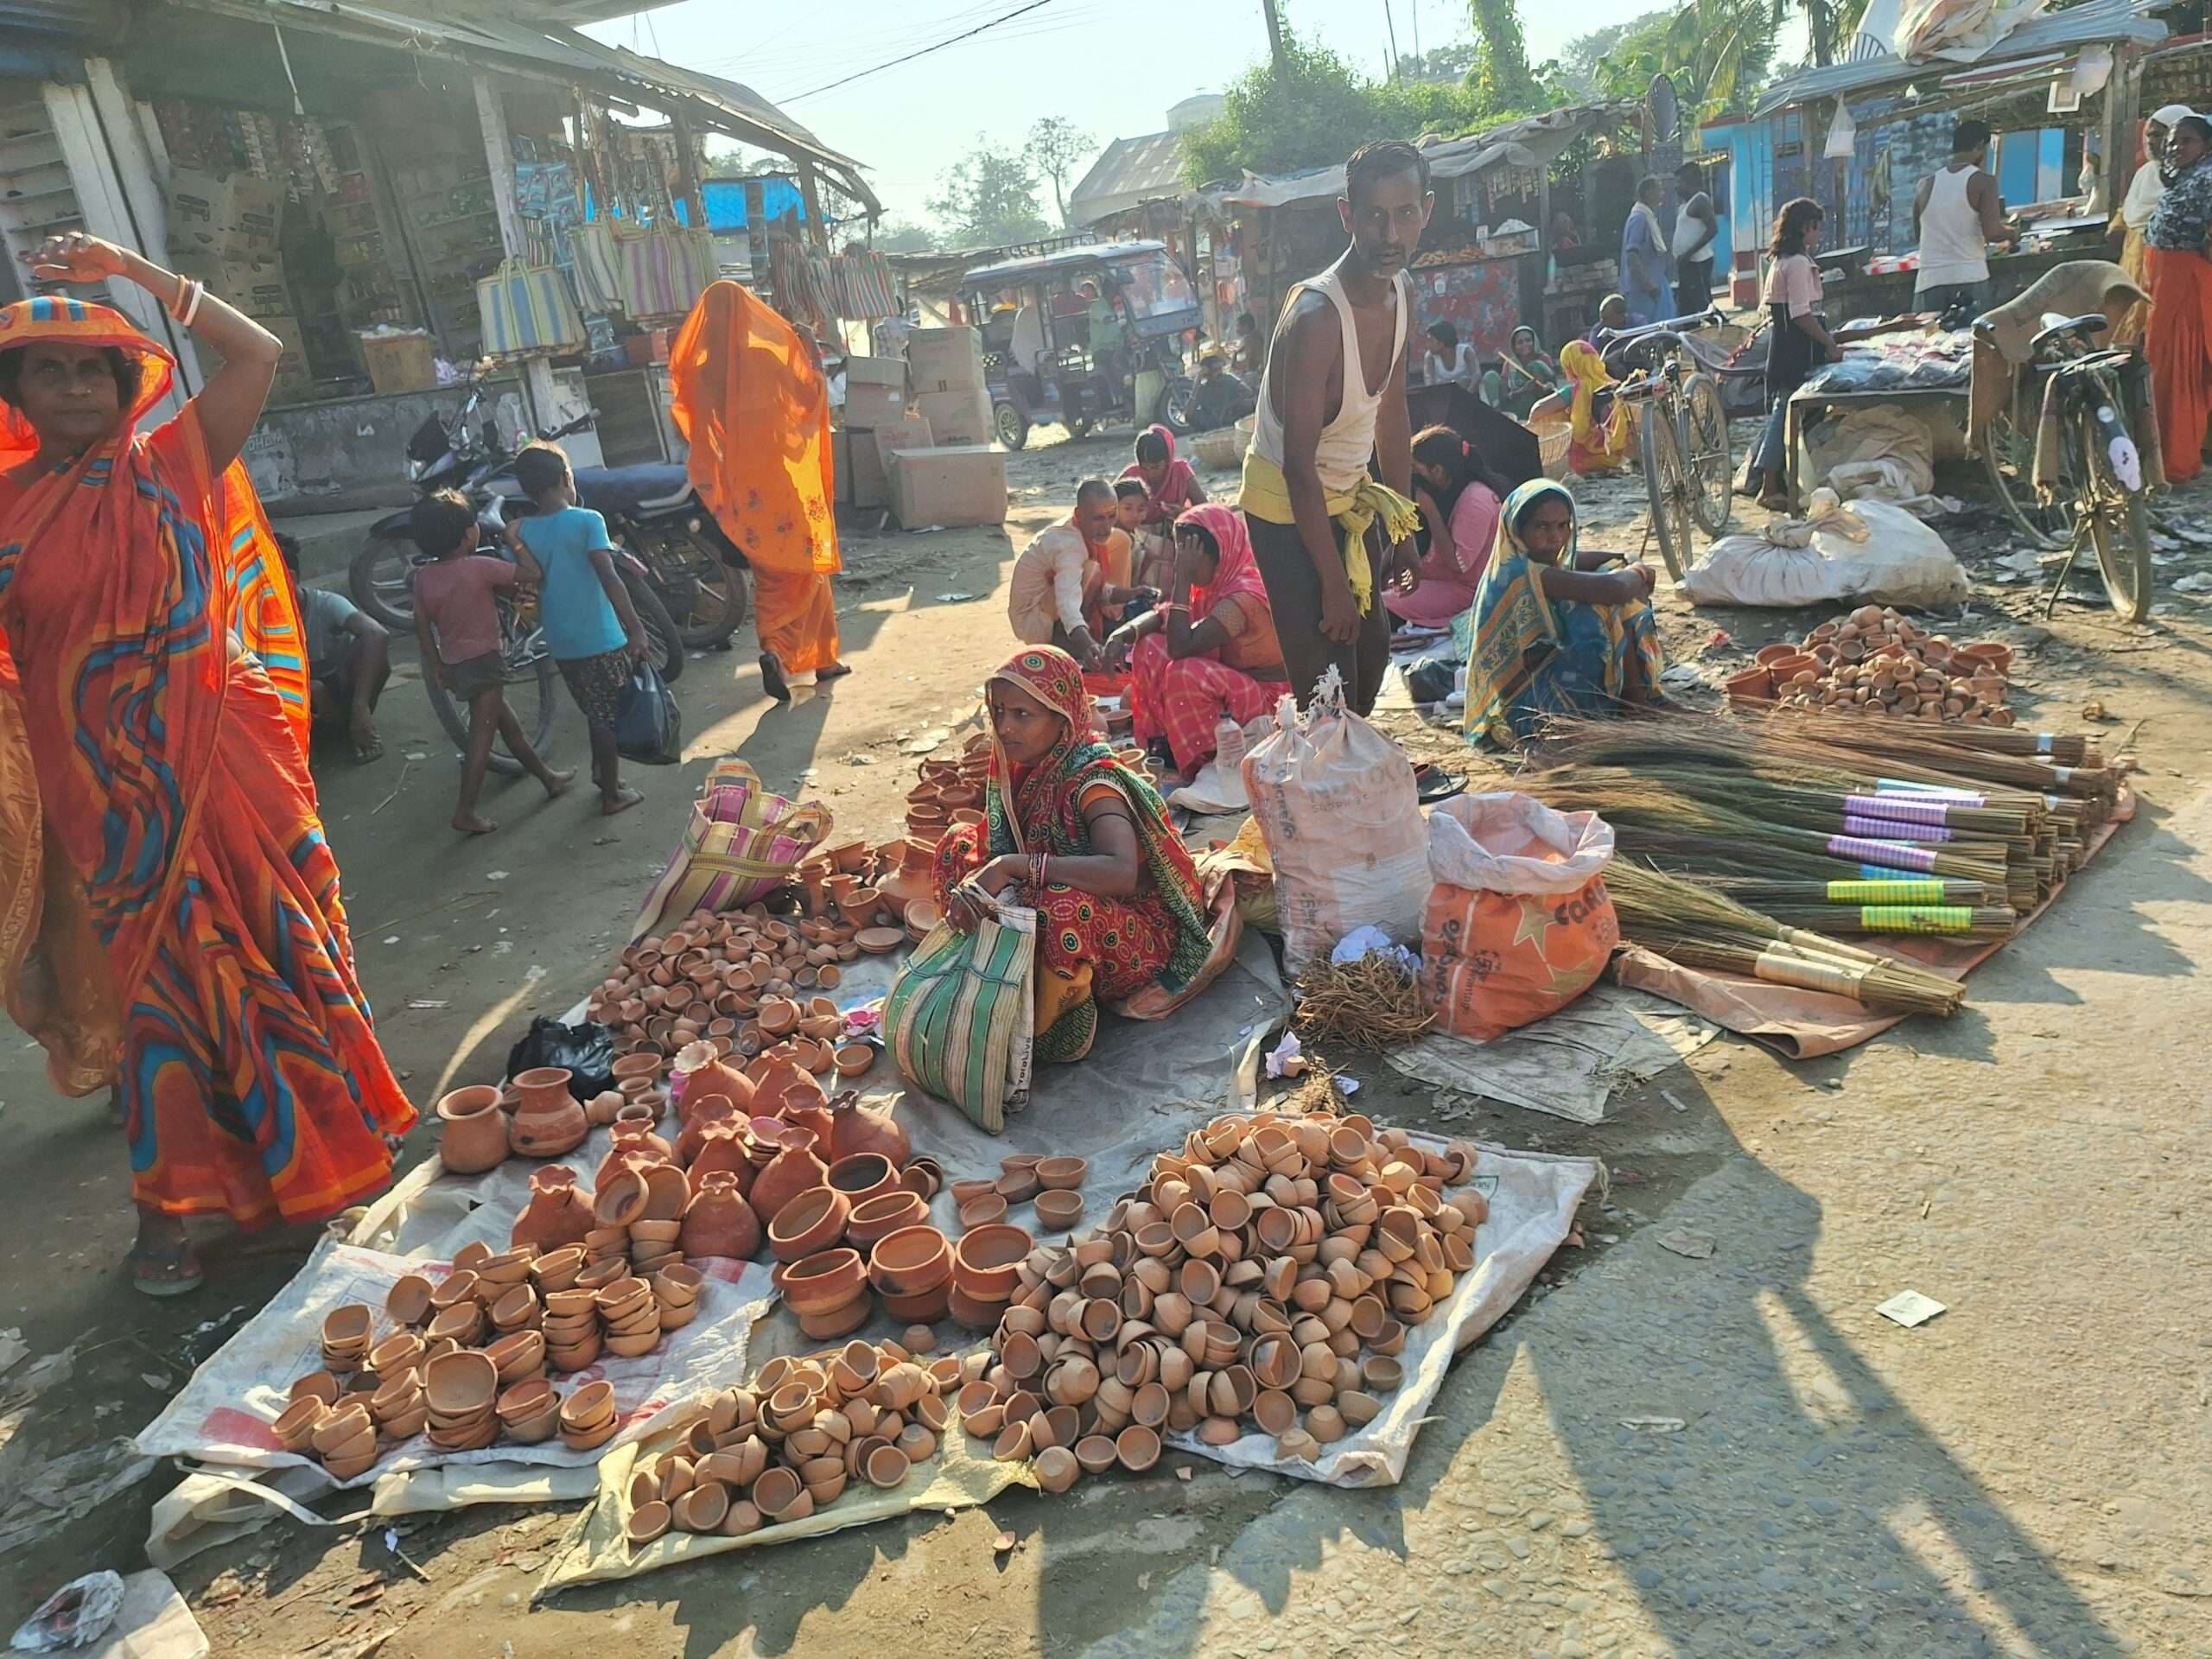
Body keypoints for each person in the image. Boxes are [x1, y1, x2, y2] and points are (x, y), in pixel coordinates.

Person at [0, 232, 413, 1294]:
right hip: (101, 795)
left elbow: (260, 352)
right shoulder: (5, 513)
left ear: (125, 381)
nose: (79, 384)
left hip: (227, 763)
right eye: (52, 369)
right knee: (155, 999)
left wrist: (132, 274)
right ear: (18, 395)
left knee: (278, 952)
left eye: (97, 365)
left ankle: (331, 1153)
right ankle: (173, 1207)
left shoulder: (175, 461)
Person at [936, 645, 1219, 1062]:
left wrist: (1014, 867)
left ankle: (1046, 1030)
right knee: (958, 846)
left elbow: (1121, 872)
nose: (1005, 727)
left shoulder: (1094, 784)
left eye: (1022, 715)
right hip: (1061, 899)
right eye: (998, 712)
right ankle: (980, 975)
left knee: (1061, 905)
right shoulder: (1027, 770)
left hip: (1136, 936)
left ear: (1063, 715)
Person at [1242, 139, 1428, 715]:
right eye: (1374, 215)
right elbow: (1298, 465)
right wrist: (1331, 583)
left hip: (1349, 498)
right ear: (1346, 215)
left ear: (1426, 211)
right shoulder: (1317, 318)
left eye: (1404, 214)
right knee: (1328, 688)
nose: (1390, 235)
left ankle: (1342, 785)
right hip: (1285, 508)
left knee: (1371, 661)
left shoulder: (1403, 292)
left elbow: (1391, 414)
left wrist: (1402, 526)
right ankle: (1320, 792)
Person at [669, 281, 849, 703]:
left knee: (771, 572)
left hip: (738, 486)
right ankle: (813, 657)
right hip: (779, 480)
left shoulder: (701, 367)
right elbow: (811, 394)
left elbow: (693, 422)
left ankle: (778, 649)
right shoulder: (767, 356)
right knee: (805, 567)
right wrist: (808, 346)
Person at [410, 489, 573, 834]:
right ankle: (465, 811)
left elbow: (422, 627)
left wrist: (438, 666)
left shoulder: (423, 578)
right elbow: (532, 574)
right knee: (481, 740)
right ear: (470, 533)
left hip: (456, 665)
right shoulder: (480, 568)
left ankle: (548, 778)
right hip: (484, 662)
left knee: (507, 726)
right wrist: (514, 540)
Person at [1463, 480, 1664, 747]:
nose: (1556, 538)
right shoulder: (1519, 572)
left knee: (1611, 579)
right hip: (1531, 707)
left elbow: (1594, 561)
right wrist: (1639, 570)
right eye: (1542, 527)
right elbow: (1613, 589)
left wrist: (1625, 560)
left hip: (1550, 680)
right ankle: (1633, 699)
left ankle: (1634, 696)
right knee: (1598, 607)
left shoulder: (1538, 559)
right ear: (1517, 529)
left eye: (1563, 526)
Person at [507, 442, 648, 817]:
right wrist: (636, 629)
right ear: (565, 479)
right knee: (607, 717)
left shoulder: (524, 531)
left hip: (561, 641)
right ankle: (610, 794)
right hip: (600, 637)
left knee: (594, 709)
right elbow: (609, 577)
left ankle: (604, 776)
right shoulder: (589, 520)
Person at [1104, 504, 1287, 777]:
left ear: (1220, 553)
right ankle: (1166, 741)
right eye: (1180, 554)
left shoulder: (1242, 597)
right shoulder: (1214, 586)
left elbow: (1181, 646)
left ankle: (1203, 760)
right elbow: (1164, 615)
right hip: (1230, 688)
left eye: (1189, 556)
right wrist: (1121, 634)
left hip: (1266, 701)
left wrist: (1182, 579)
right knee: (1150, 646)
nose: (1181, 562)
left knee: (1184, 671)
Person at [1751, 197, 1843, 512]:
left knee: (1785, 413)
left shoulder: (1781, 261)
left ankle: (1777, 481)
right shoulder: (1798, 264)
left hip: (1785, 345)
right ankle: (1770, 485)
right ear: (1807, 228)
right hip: (1794, 349)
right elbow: (1801, 314)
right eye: (1816, 228)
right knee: (1783, 416)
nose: (1818, 235)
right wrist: (1829, 342)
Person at [1007, 479, 1146, 664]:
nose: (1106, 527)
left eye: (1111, 516)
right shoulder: (1069, 545)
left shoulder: (1081, 530)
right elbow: (1068, 604)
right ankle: (1065, 643)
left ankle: (1081, 637)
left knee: (1099, 564)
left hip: (1048, 607)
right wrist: (1088, 645)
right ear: (1080, 515)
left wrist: (1135, 594)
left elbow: (1098, 589)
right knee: (1092, 570)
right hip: (1032, 620)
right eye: (1098, 518)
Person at [280, 532, 389, 763]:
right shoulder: (253, 617)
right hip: (297, 696)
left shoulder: (325, 603)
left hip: (339, 688)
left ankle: (354, 723)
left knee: (374, 655)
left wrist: (360, 706)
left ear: (288, 578)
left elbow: (376, 633)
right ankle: (322, 736)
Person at [2145, 113, 2212, 484]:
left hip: (2185, 286)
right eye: (2173, 141)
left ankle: (2178, 462)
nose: (2176, 147)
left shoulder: (2208, 179)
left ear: (2206, 145)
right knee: (2161, 372)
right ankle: (2162, 458)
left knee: (2181, 375)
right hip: (2164, 284)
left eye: (2186, 141)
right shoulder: (2185, 177)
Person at [1391, 425, 1505, 629]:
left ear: (1437, 471)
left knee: (1382, 607)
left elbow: (1459, 564)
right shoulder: (1444, 490)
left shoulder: (1475, 499)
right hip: (1438, 578)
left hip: (1467, 590)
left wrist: (1431, 512)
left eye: (1416, 469)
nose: (1413, 476)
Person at [2109, 105, 2196, 347]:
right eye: (2150, 135)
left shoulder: (2193, 177)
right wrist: (2116, 227)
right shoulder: (2145, 174)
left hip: (2170, 270)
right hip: (2134, 265)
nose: (2152, 141)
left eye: (2160, 134)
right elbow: (2128, 210)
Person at [1914, 118, 2018, 315]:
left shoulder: (1924, 185)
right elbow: (1993, 232)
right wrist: (2013, 234)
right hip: (1970, 280)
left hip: (1929, 282)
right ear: (1980, 146)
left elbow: (1919, 235)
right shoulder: (1983, 181)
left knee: (1926, 344)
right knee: (1970, 344)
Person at [1555, 340, 1632, 475]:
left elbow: (1536, 411)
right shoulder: (1612, 384)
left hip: (1586, 460)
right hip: (1615, 456)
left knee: (1552, 414)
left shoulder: (1574, 391)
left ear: (1572, 365)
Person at [1122, 424, 1208, 529]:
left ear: (1167, 461)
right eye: (1144, 468)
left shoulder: (1180, 471)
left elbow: (1206, 509)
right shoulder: (1131, 475)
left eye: (1156, 467)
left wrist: (1182, 512)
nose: (1150, 474)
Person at [1480, 326, 1562, 418]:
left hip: (1540, 406)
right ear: (1514, 347)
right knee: (1490, 376)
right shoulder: (1510, 363)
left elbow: (1553, 388)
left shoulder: (1543, 358)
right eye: (1520, 342)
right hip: (1516, 407)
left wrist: (1544, 386)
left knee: (1535, 366)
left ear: (1534, 342)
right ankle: (1499, 417)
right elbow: (1505, 396)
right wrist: (1523, 390)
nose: (1525, 345)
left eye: (1528, 340)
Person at [1621, 176, 1670, 327]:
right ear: (1648, 193)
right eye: (1659, 189)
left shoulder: (1648, 217)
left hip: (1655, 284)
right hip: (1644, 290)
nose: (1662, 193)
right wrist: (1647, 285)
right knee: (1649, 334)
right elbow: (1632, 256)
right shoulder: (1639, 219)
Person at [1672, 162, 1719, 318]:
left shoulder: (1700, 200)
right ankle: (1689, 337)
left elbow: (1713, 229)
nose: (1676, 187)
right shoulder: (1686, 205)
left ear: (1689, 182)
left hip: (1697, 263)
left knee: (1704, 305)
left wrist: (1688, 253)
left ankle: (1726, 330)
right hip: (1687, 263)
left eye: (1679, 183)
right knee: (1685, 307)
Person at [1185, 349, 1251, 433]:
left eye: (1220, 369)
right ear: (1208, 373)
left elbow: (1248, 392)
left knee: (1248, 404)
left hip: (1231, 418)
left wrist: (1229, 407)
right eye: (1215, 370)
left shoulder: (1228, 379)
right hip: (1213, 424)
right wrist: (1198, 380)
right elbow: (1188, 415)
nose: (1219, 372)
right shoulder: (1203, 389)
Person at [1423, 320, 1478, 392]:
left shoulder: (1466, 352)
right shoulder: (1430, 357)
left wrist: (1467, 397)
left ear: (1441, 343)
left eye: (1430, 341)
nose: (1427, 345)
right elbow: (1429, 384)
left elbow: (1476, 377)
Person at [1233, 311, 1265, 376]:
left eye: (1238, 326)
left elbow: (1247, 362)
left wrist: (1234, 365)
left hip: (1256, 373)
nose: (1237, 330)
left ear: (1246, 326)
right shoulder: (1255, 335)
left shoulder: (1249, 338)